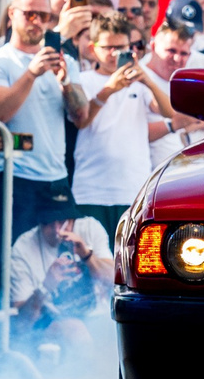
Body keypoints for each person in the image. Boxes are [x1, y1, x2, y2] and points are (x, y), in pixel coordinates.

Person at [0, 0, 87, 261]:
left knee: (59, 259)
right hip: (15, 177)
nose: (38, 22)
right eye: (30, 14)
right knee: (9, 258)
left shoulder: (66, 62)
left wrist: (66, 84)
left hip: (55, 176)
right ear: (12, 14)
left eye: (45, 16)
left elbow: (81, 116)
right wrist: (31, 73)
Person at [71, 12, 182, 236]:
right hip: (90, 189)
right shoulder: (84, 80)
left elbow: (168, 112)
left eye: (121, 47)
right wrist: (110, 89)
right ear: (93, 49)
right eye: (108, 47)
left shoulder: (140, 82)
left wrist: (146, 79)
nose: (114, 54)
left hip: (133, 187)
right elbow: (81, 120)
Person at [8, 197, 114, 367]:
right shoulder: (24, 247)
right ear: (40, 224)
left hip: (98, 318)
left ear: (72, 219)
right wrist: (46, 286)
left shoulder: (89, 228)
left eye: (63, 221)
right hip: (49, 325)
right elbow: (21, 323)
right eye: (50, 223)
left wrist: (87, 256)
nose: (58, 230)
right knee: (75, 329)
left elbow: (114, 280)